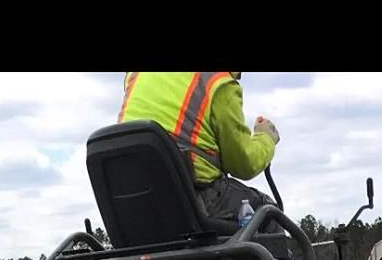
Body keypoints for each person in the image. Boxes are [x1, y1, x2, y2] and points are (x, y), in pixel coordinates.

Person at [117, 71, 280, 225]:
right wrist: (266, 138)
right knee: (268, 212)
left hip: (129, 200)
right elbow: (244, 164)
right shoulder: (218, 82)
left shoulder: (135, 75)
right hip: (191, 200)